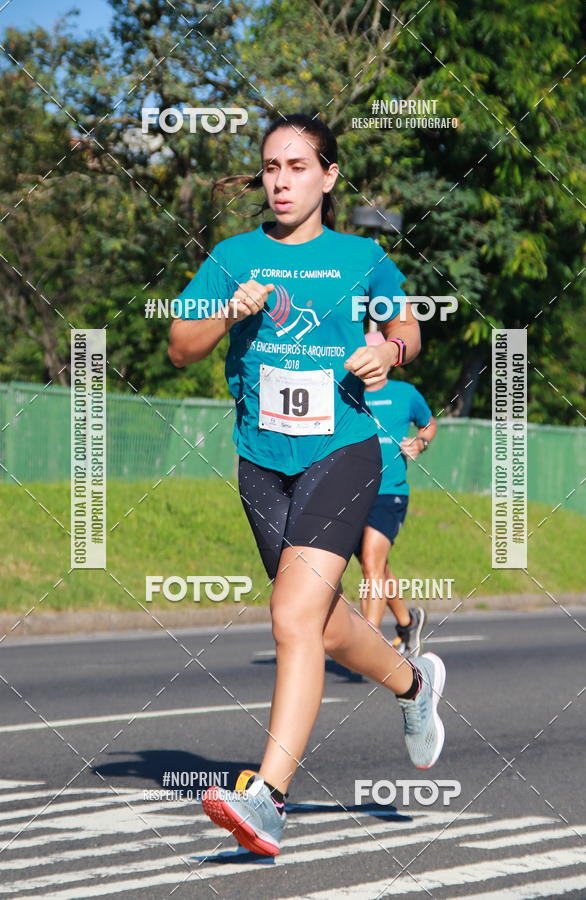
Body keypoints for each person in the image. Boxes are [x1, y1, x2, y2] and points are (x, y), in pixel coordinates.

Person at [167, 113, 446, 857]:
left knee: (291, 614)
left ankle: (268, 798)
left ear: (327, 176)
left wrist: (386, 349)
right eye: (270, 167)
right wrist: (229, 310)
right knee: (319, 625)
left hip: (345, 451)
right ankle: (415, 686)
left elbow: (409, 331)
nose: (281, 180)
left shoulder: (362, 256)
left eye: (297, 166)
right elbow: (179, 347)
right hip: (262, 462)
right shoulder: (233, 257)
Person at [356, 330, 437, 657]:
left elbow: (428, 424)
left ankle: (369, 642)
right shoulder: (344, 392)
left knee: (372, 562)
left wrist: (420, 443)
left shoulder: (405, 394)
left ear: (388, 359)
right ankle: (407, 622)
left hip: (389, 491)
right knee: (373, 564)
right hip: (349, 493)